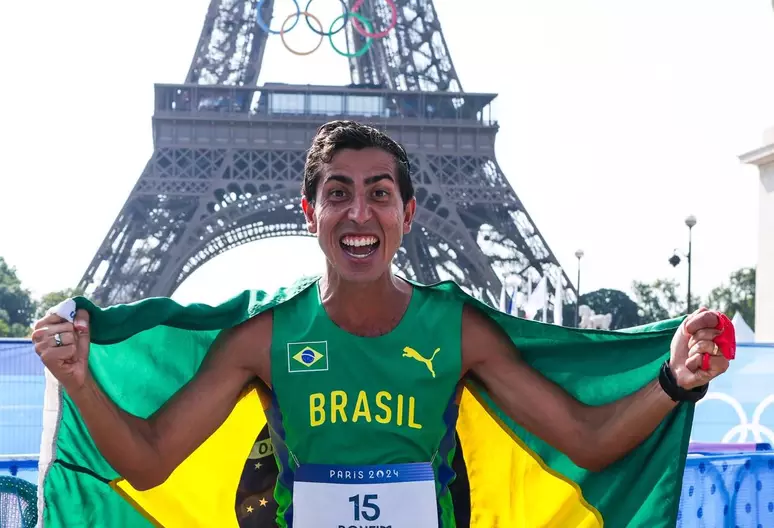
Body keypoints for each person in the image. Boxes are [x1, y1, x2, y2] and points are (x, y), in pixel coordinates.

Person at [31, 120, 730, 528]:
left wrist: (674, 381)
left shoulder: (457, 330)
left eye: (379, 194)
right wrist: (81, 382)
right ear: (310, 213)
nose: (359, 213)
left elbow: (586, 439)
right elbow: (150, 462)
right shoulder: (265, 337)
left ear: (408, 214)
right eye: (339, 194)